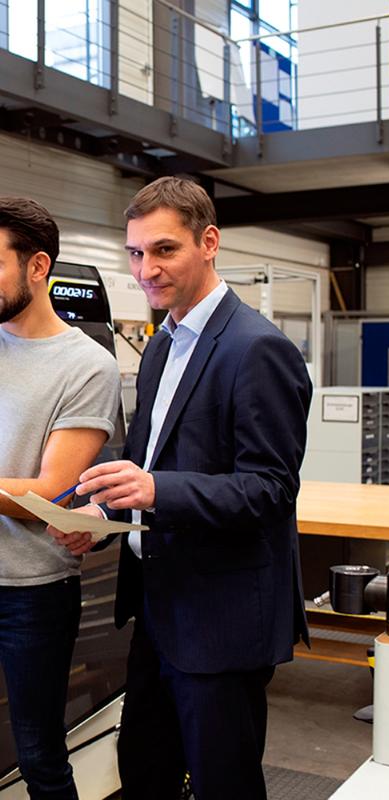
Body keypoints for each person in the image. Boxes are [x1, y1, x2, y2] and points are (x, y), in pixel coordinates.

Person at [49, 176, 312, 800]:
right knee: (144, 771)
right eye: (136, 253)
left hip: (220, 620)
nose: (147, 269)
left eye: (164, 250)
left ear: (209, 242)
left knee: (224, 783)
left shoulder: (257, 350)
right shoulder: (166, 343)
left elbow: (270, 488)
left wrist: (156, 490)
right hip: (159, 611)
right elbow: (151, 463)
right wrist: (100, 516)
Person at [0, 197, 121, 799]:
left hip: (31, 592)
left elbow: (46, 494)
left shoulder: (87, 366)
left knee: (39, 752)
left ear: (37, 265)